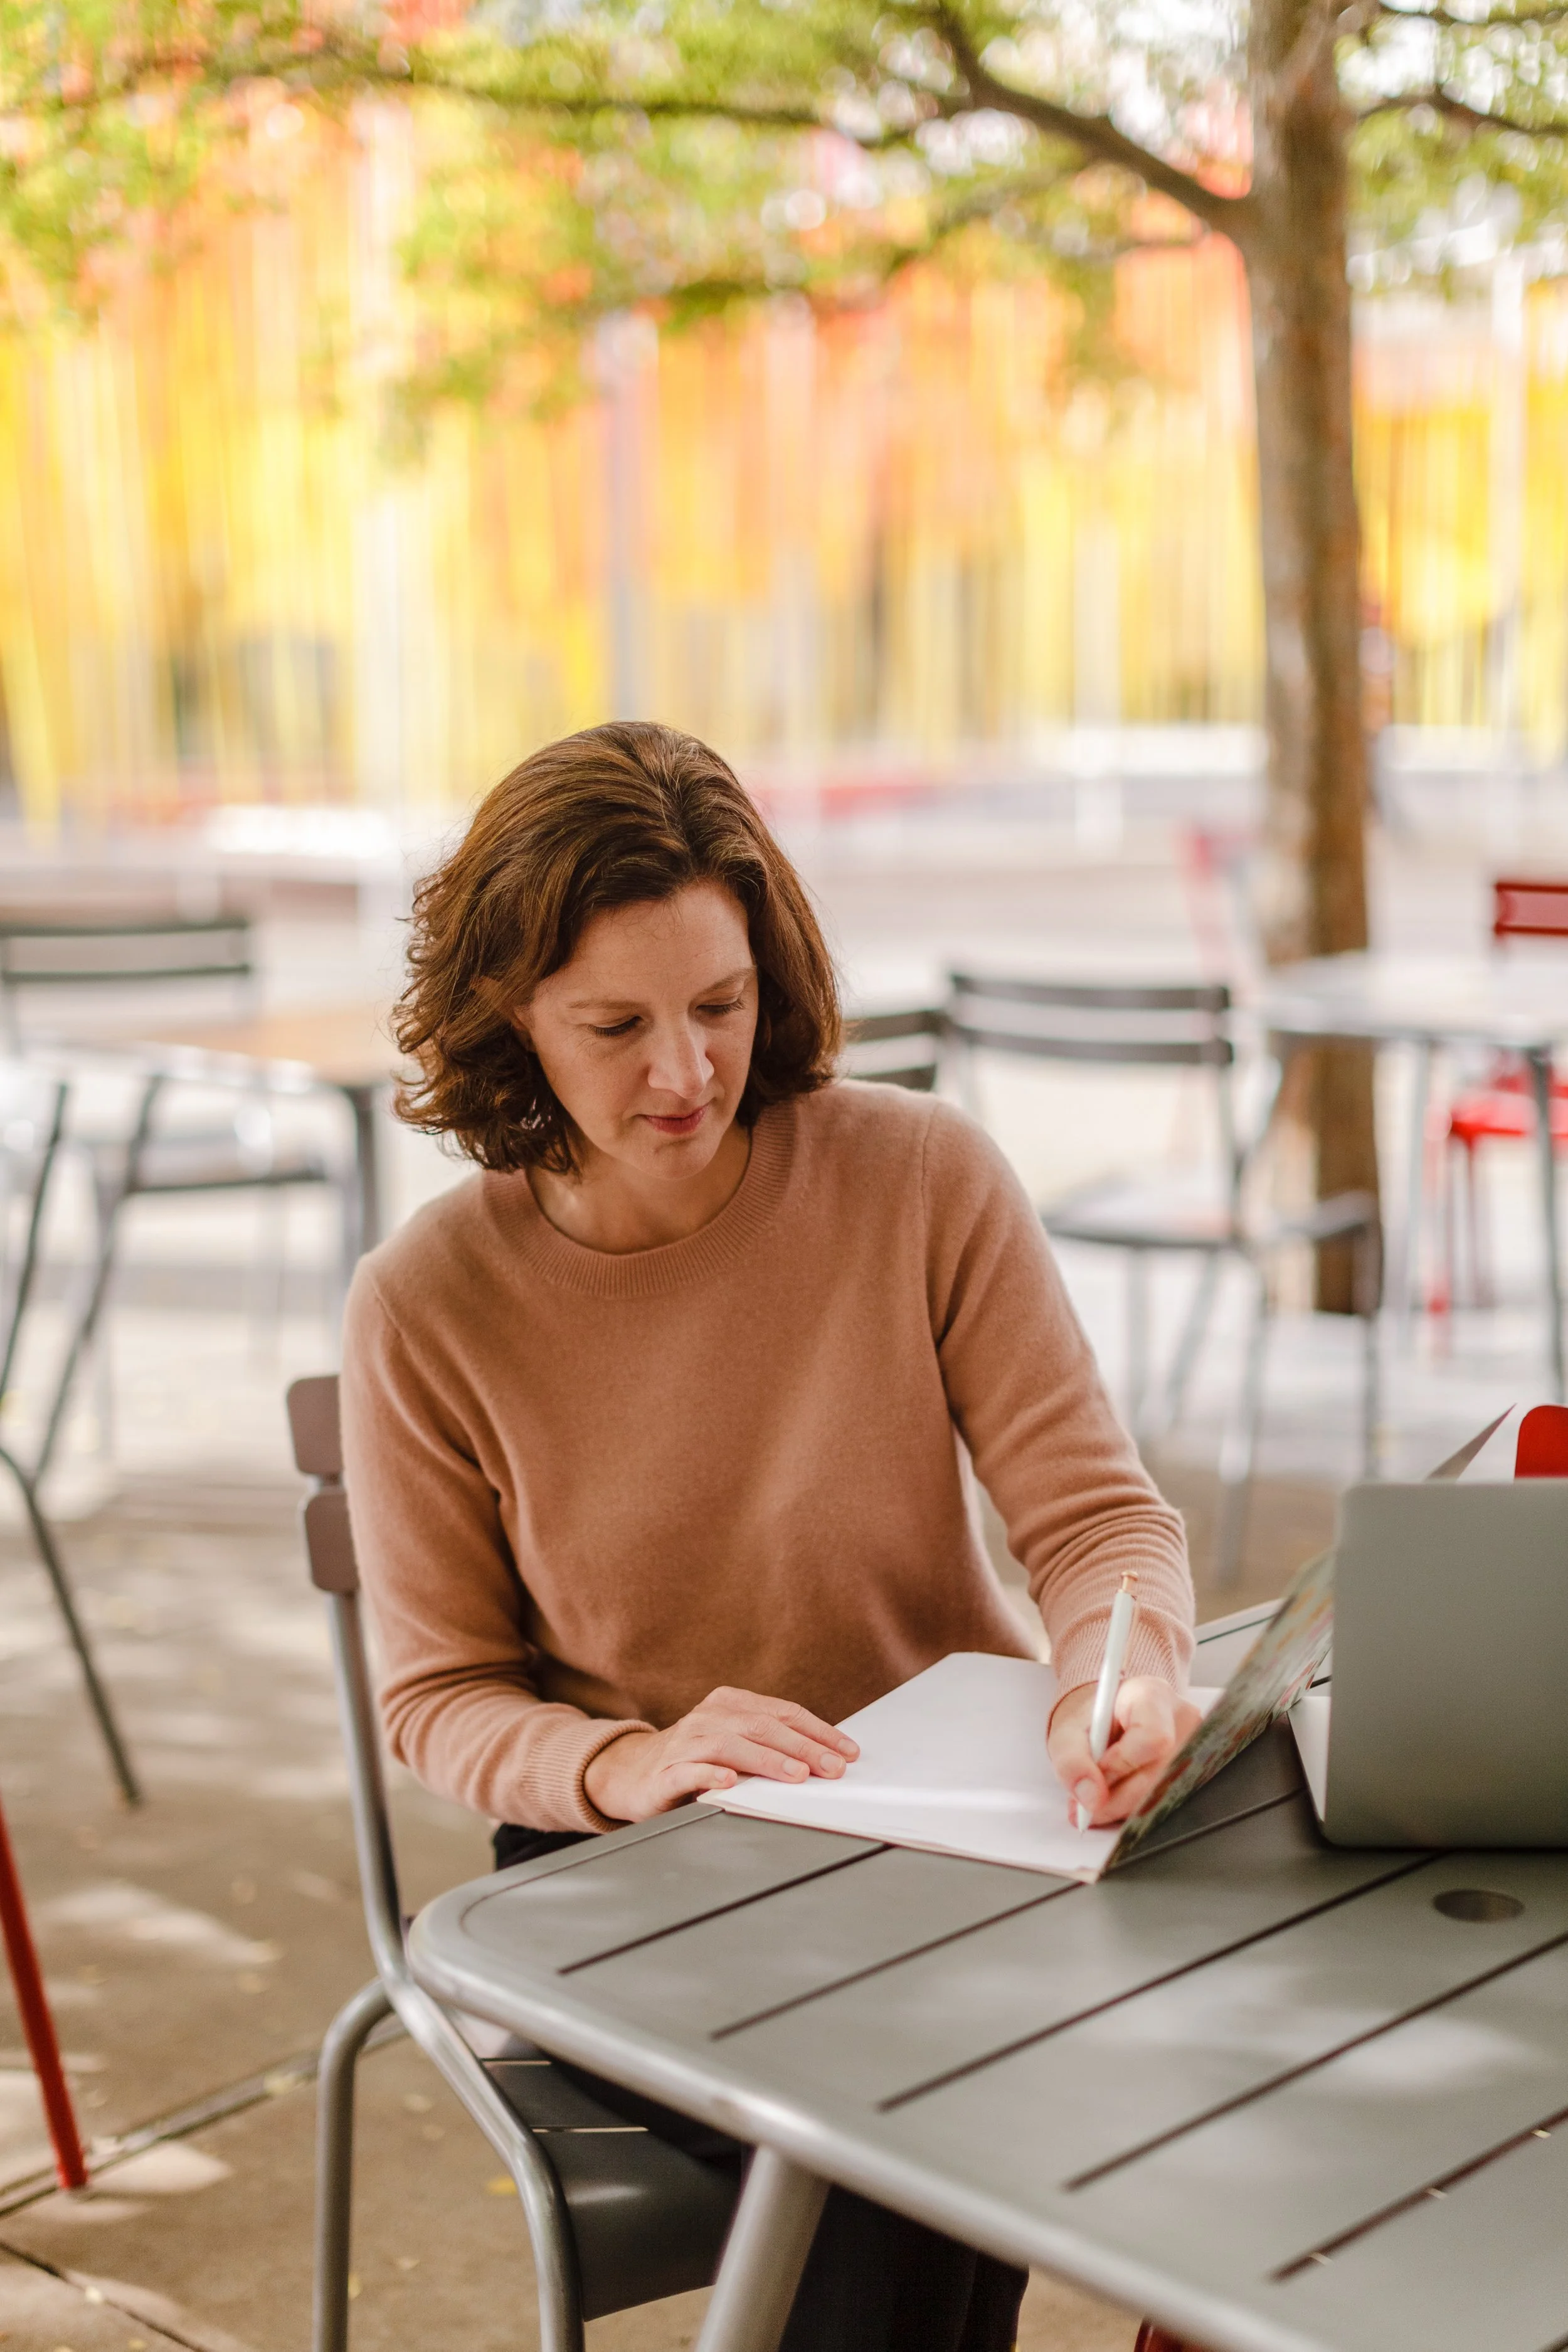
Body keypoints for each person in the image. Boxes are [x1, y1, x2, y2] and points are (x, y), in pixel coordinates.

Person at [341, 719, 1199, 2352]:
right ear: (509, 1016)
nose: (681, 1071)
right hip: (631, 1874)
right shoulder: (427, 1306)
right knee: (887, 2145)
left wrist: (1119, 1672)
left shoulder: (919, 1178)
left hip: (956, 1840)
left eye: (719, 1007)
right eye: (614, 1023)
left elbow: (1093, 1518)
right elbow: (438, 1698)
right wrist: (633, 1758)